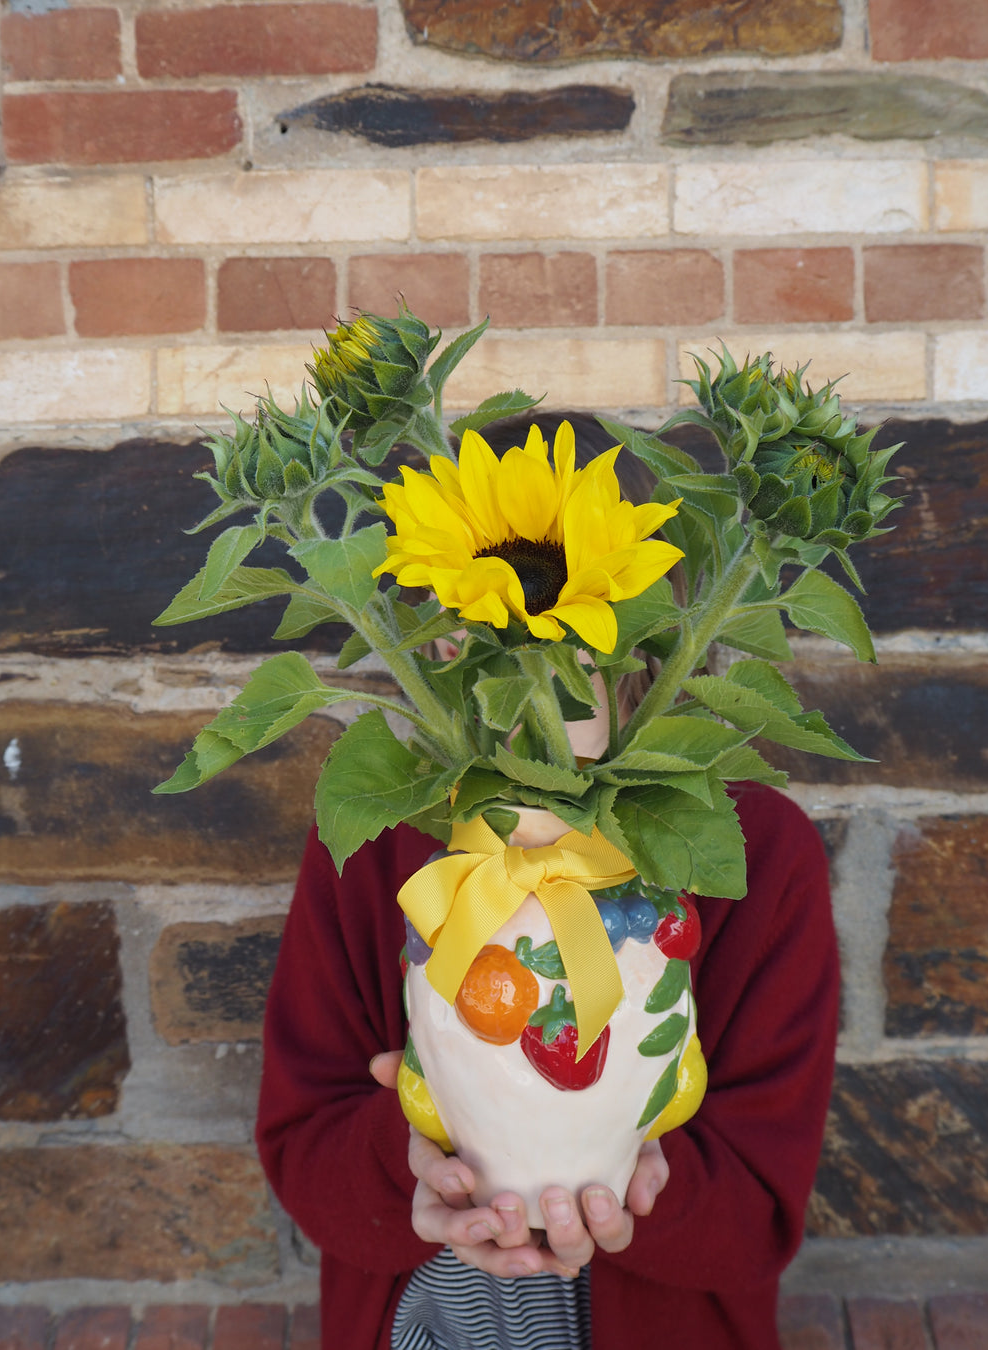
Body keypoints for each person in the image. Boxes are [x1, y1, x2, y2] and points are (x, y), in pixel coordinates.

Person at [255, 418, 840, 1350]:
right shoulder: (377, 837)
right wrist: (411, 1168)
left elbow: (759, 1206)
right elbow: (303, 1139)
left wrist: (641, 1182)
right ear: (428, 644)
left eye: (551, 641)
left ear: (648, 634)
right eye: (465, 635)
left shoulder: (746, 857)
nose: (503, 672)